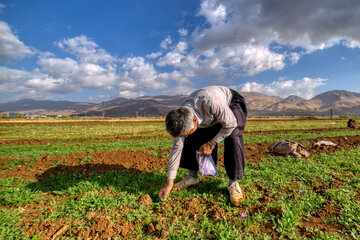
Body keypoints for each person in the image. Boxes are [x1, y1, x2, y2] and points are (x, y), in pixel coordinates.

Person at [159, 86, 247, 206]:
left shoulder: (212, 102)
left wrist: (211, 143)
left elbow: (231, 124)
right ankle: (192, 176)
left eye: (186, 132)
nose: (184, 136)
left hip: (230, 101)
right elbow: (176, 150)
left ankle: (233, 183)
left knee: (233, 135)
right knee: (191, 136)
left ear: (195, 120)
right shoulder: (180, 119)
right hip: (209, 114)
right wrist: (169, 183)